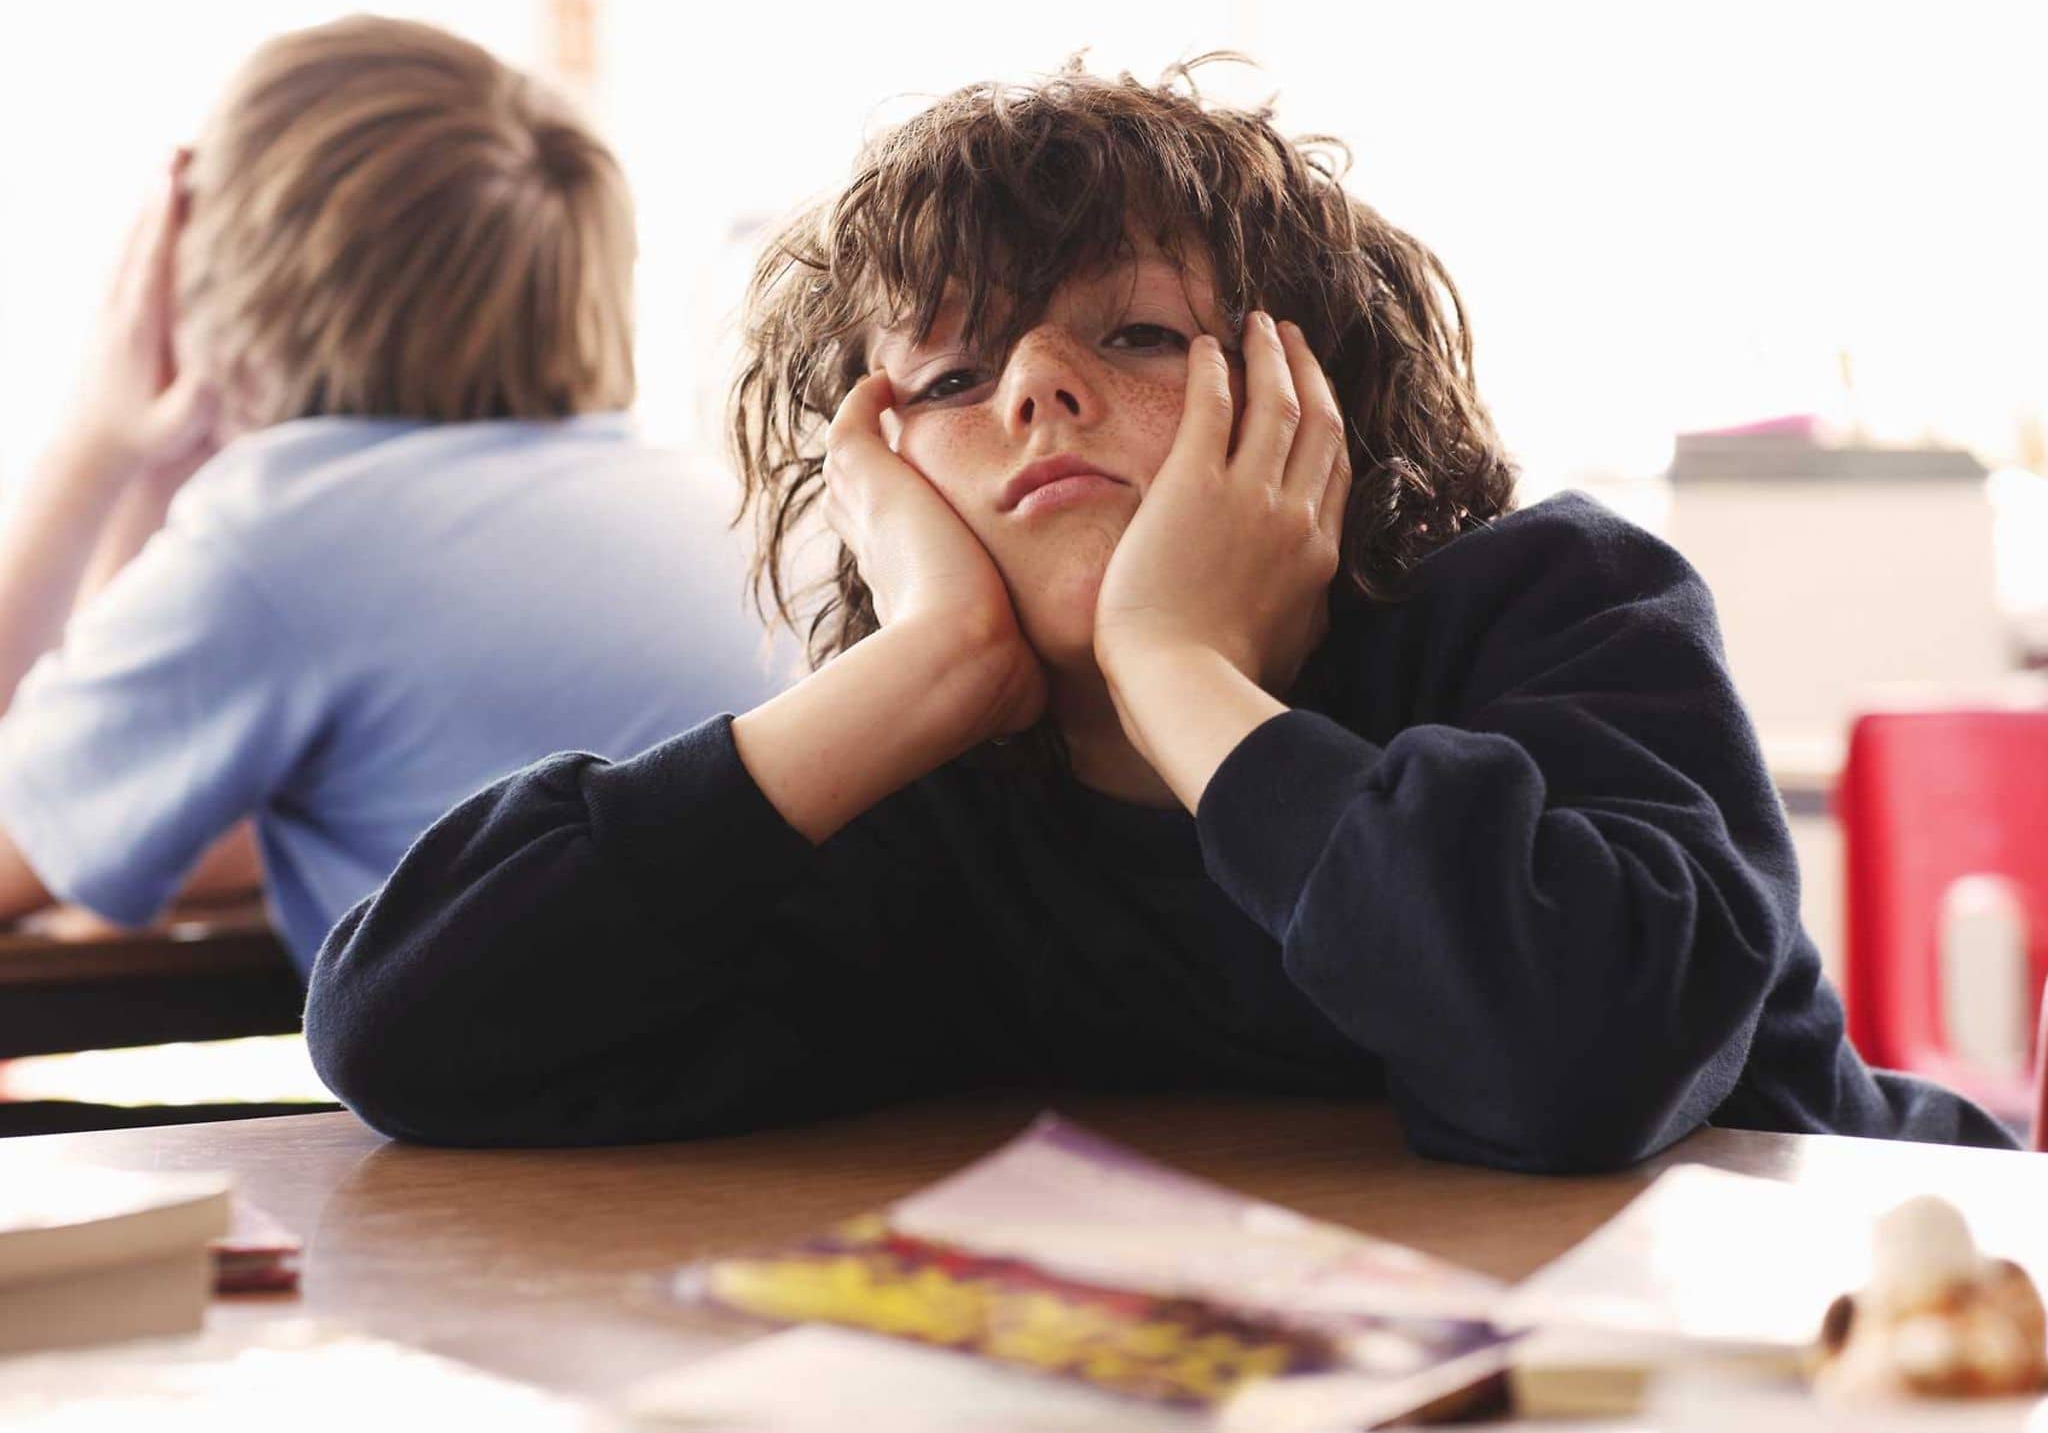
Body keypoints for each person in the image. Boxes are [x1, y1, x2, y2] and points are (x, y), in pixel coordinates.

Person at [304, 60, 2014, 1168]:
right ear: (879, 480)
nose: (1035, 390)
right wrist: (920, 668)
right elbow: (407, 1034)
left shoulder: (1552, 611)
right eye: (950, 378)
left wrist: (1178, 670)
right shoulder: (933, 803)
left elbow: (1581, 1067)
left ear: (1309, 399)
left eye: (1129, 334)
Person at [0, 16, 776, 973]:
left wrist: (93, 444)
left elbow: (24, 843)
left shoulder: (289, 536)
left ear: (199, 268)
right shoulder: (689, 493)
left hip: (590, 1069)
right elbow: (139, 826)